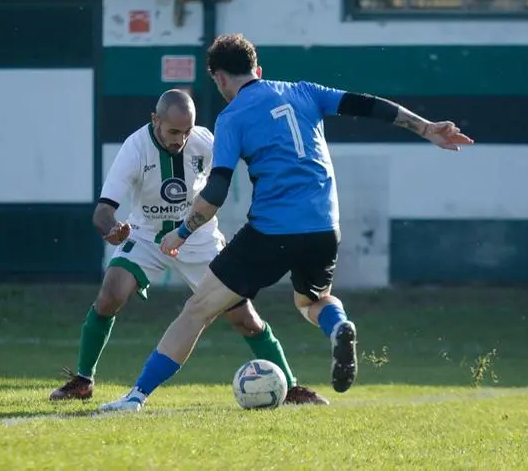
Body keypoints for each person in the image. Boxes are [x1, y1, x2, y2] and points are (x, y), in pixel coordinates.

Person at [99, 34, 474, 412]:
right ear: (257, 70)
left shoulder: (232, 117)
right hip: (325, 226)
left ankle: (136, 396)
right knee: (313, 299)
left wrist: (182, 232)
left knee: (197, 310)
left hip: (270, 231)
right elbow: (367, 104)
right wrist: (426, 127)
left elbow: (215, 191)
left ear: (220, 79)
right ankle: (338, 325)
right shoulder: (305, 91)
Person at [49, 88, 328, 406]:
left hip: (199, 239)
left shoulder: (204, 141)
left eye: (186, 131)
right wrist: (112, 229)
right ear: (155, 120)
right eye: (173, 131)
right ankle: (83, 381)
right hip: (146, 236)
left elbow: (247, 158)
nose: (180, 139)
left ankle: (290, 388)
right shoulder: (135, 148)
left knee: (245, 319)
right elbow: (102, 210)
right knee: (110, 296)